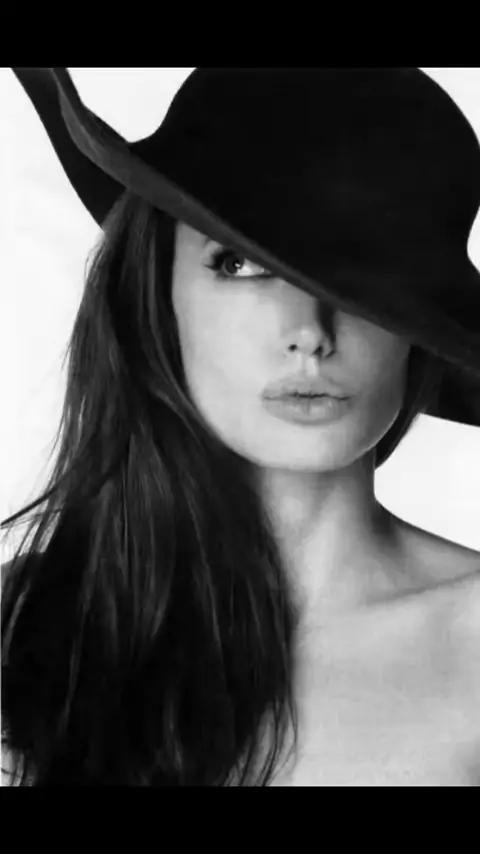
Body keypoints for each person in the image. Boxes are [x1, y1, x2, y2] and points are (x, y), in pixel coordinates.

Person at [2, 67, 480, 787]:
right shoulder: (24, 627)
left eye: (361, 281)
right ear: (157, 294)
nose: (308, 333)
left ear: (420, 326)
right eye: (239, 264)